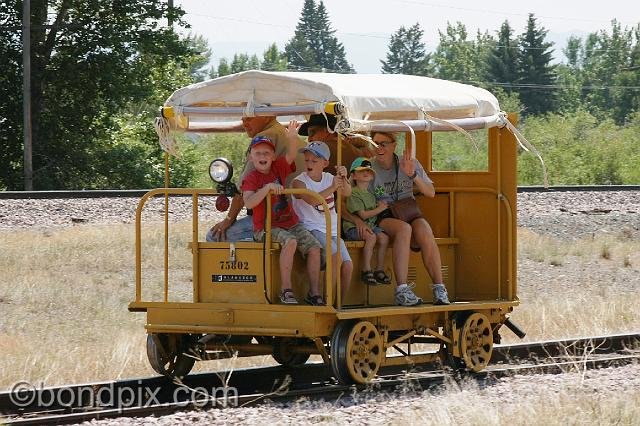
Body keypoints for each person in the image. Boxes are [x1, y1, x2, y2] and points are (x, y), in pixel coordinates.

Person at [241, 122, 323, 305]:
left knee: (314, 247)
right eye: (258, 153)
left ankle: (314, 292)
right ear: (251, 158)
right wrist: (267, 189)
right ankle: (286, 290)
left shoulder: (278, 167)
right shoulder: (251, 179)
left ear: (272, 156)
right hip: (265, 228)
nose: (262, 156)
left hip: (290, 222)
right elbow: (249, 201)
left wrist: (292, 137)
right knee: (290, 241)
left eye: (266, 153)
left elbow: (291, 155)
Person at [367, 131, 451, 306]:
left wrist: (412, 175)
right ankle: (402, 291)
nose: (379, 148)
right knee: (404, 229)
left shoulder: (409, 163)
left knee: (424, 229)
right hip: (383, 214)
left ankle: (439, 288)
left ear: (394, 145)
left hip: (408, 211)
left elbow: (430, 192)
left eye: (383, 143)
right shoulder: (368, 168)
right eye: (375, 144)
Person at [207, 115, 306, 242]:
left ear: (267, 116)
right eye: (242, 119)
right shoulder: (283, 133)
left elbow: (242, 193)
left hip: (275, 216)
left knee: (213, 237)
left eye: (249, 118)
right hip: (299, 212)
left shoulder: (265, 137)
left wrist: (228, 219)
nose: (244, 123)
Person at [291, 141, 353, 302]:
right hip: (312, 228)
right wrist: (333, 188)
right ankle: (325, 301)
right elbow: (312, 200)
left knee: (347, 266)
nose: (309, 164)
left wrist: (344, 177)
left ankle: (339, 302)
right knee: (335, 257)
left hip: (332, 230)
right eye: (307, 160)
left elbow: (347, 192)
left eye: (314, 161)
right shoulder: (299, 182)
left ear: (325, 163)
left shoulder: (329, 178)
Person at [343, 157, 391, 286]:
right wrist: (380, 208)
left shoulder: (371, 195)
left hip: (370, 226)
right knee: (371, 237)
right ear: (353, 175)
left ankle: (379, 269)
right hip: (354, 228)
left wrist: (381, 205)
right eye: (361, 171)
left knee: (384, 238)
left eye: (369, 171)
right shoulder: (353, 193)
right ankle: (366, 269)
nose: (366, 173)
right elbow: (363, 215)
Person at [298, 114, 375, 174]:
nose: (309, 138)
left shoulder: (320, 149)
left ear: (327, 131)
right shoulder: (356, 152)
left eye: (311, 132)